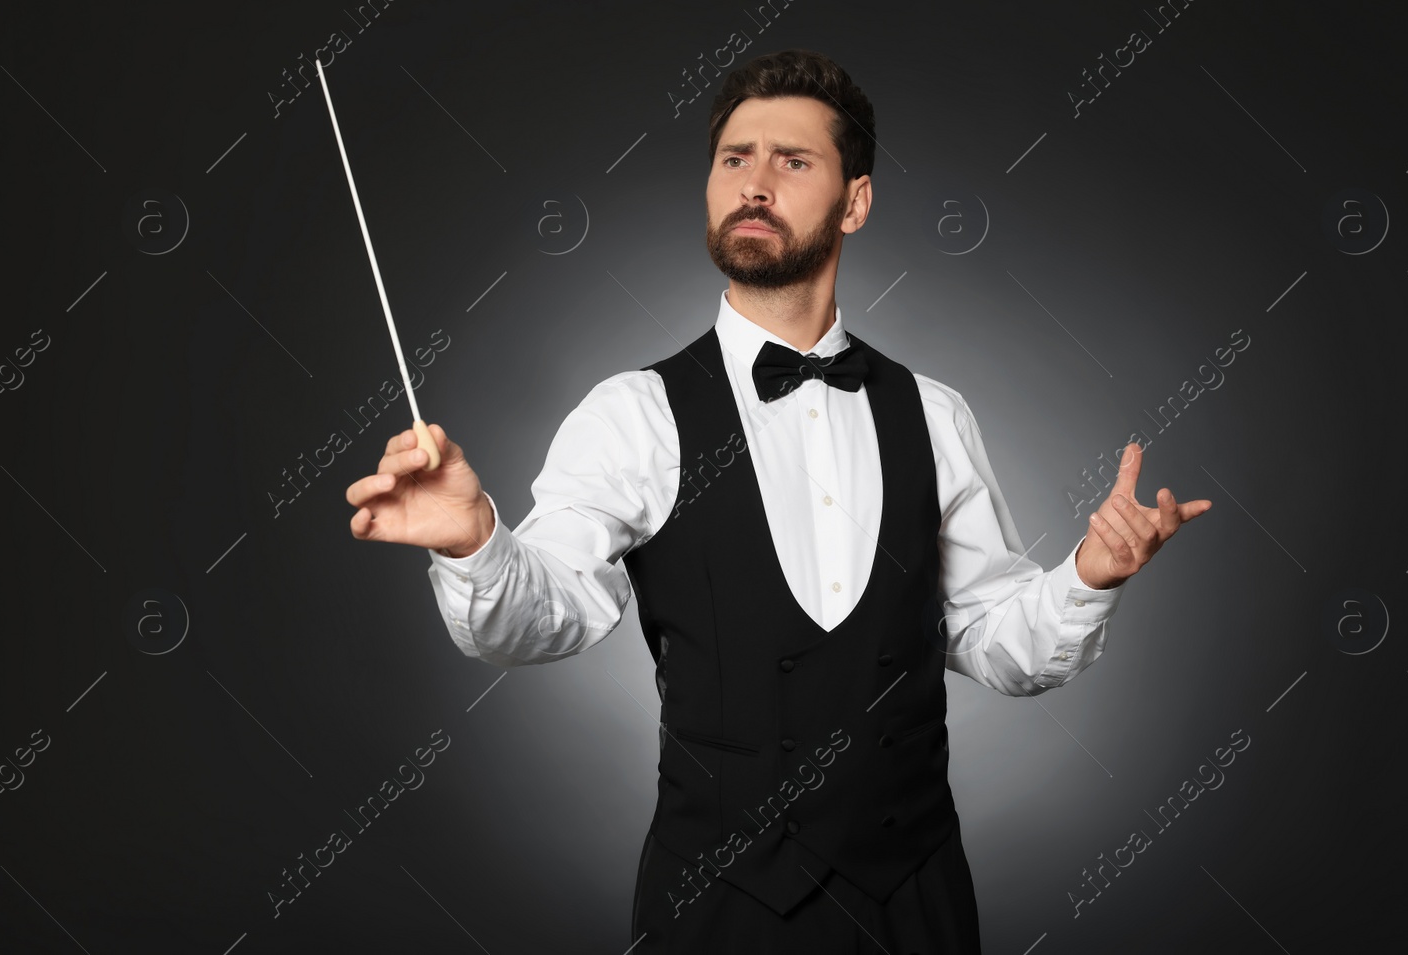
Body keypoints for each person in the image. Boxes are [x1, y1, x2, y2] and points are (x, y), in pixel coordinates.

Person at [344, 48, 1211, 953]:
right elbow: (545, 611)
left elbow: (992, 638)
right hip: (715, 911)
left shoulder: (933, 414)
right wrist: (477, 542)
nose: (755, 184)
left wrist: (1088, 575)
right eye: (734, 159)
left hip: (914, 904)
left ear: (856, 200)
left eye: (792, 161)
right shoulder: (636, 413)